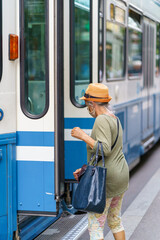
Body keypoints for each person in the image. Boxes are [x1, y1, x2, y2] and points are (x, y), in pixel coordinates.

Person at [71, 83, 129, 240]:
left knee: (96, 226)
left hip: (106, 181)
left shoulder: (101, 120)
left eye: (86, 104)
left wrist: (83, 135)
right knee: (115, 221)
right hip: (120, 176)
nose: (87, 108)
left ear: (93, 103)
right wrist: (84, 170)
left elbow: (104, 149)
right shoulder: (114, 118)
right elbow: (103, 154)